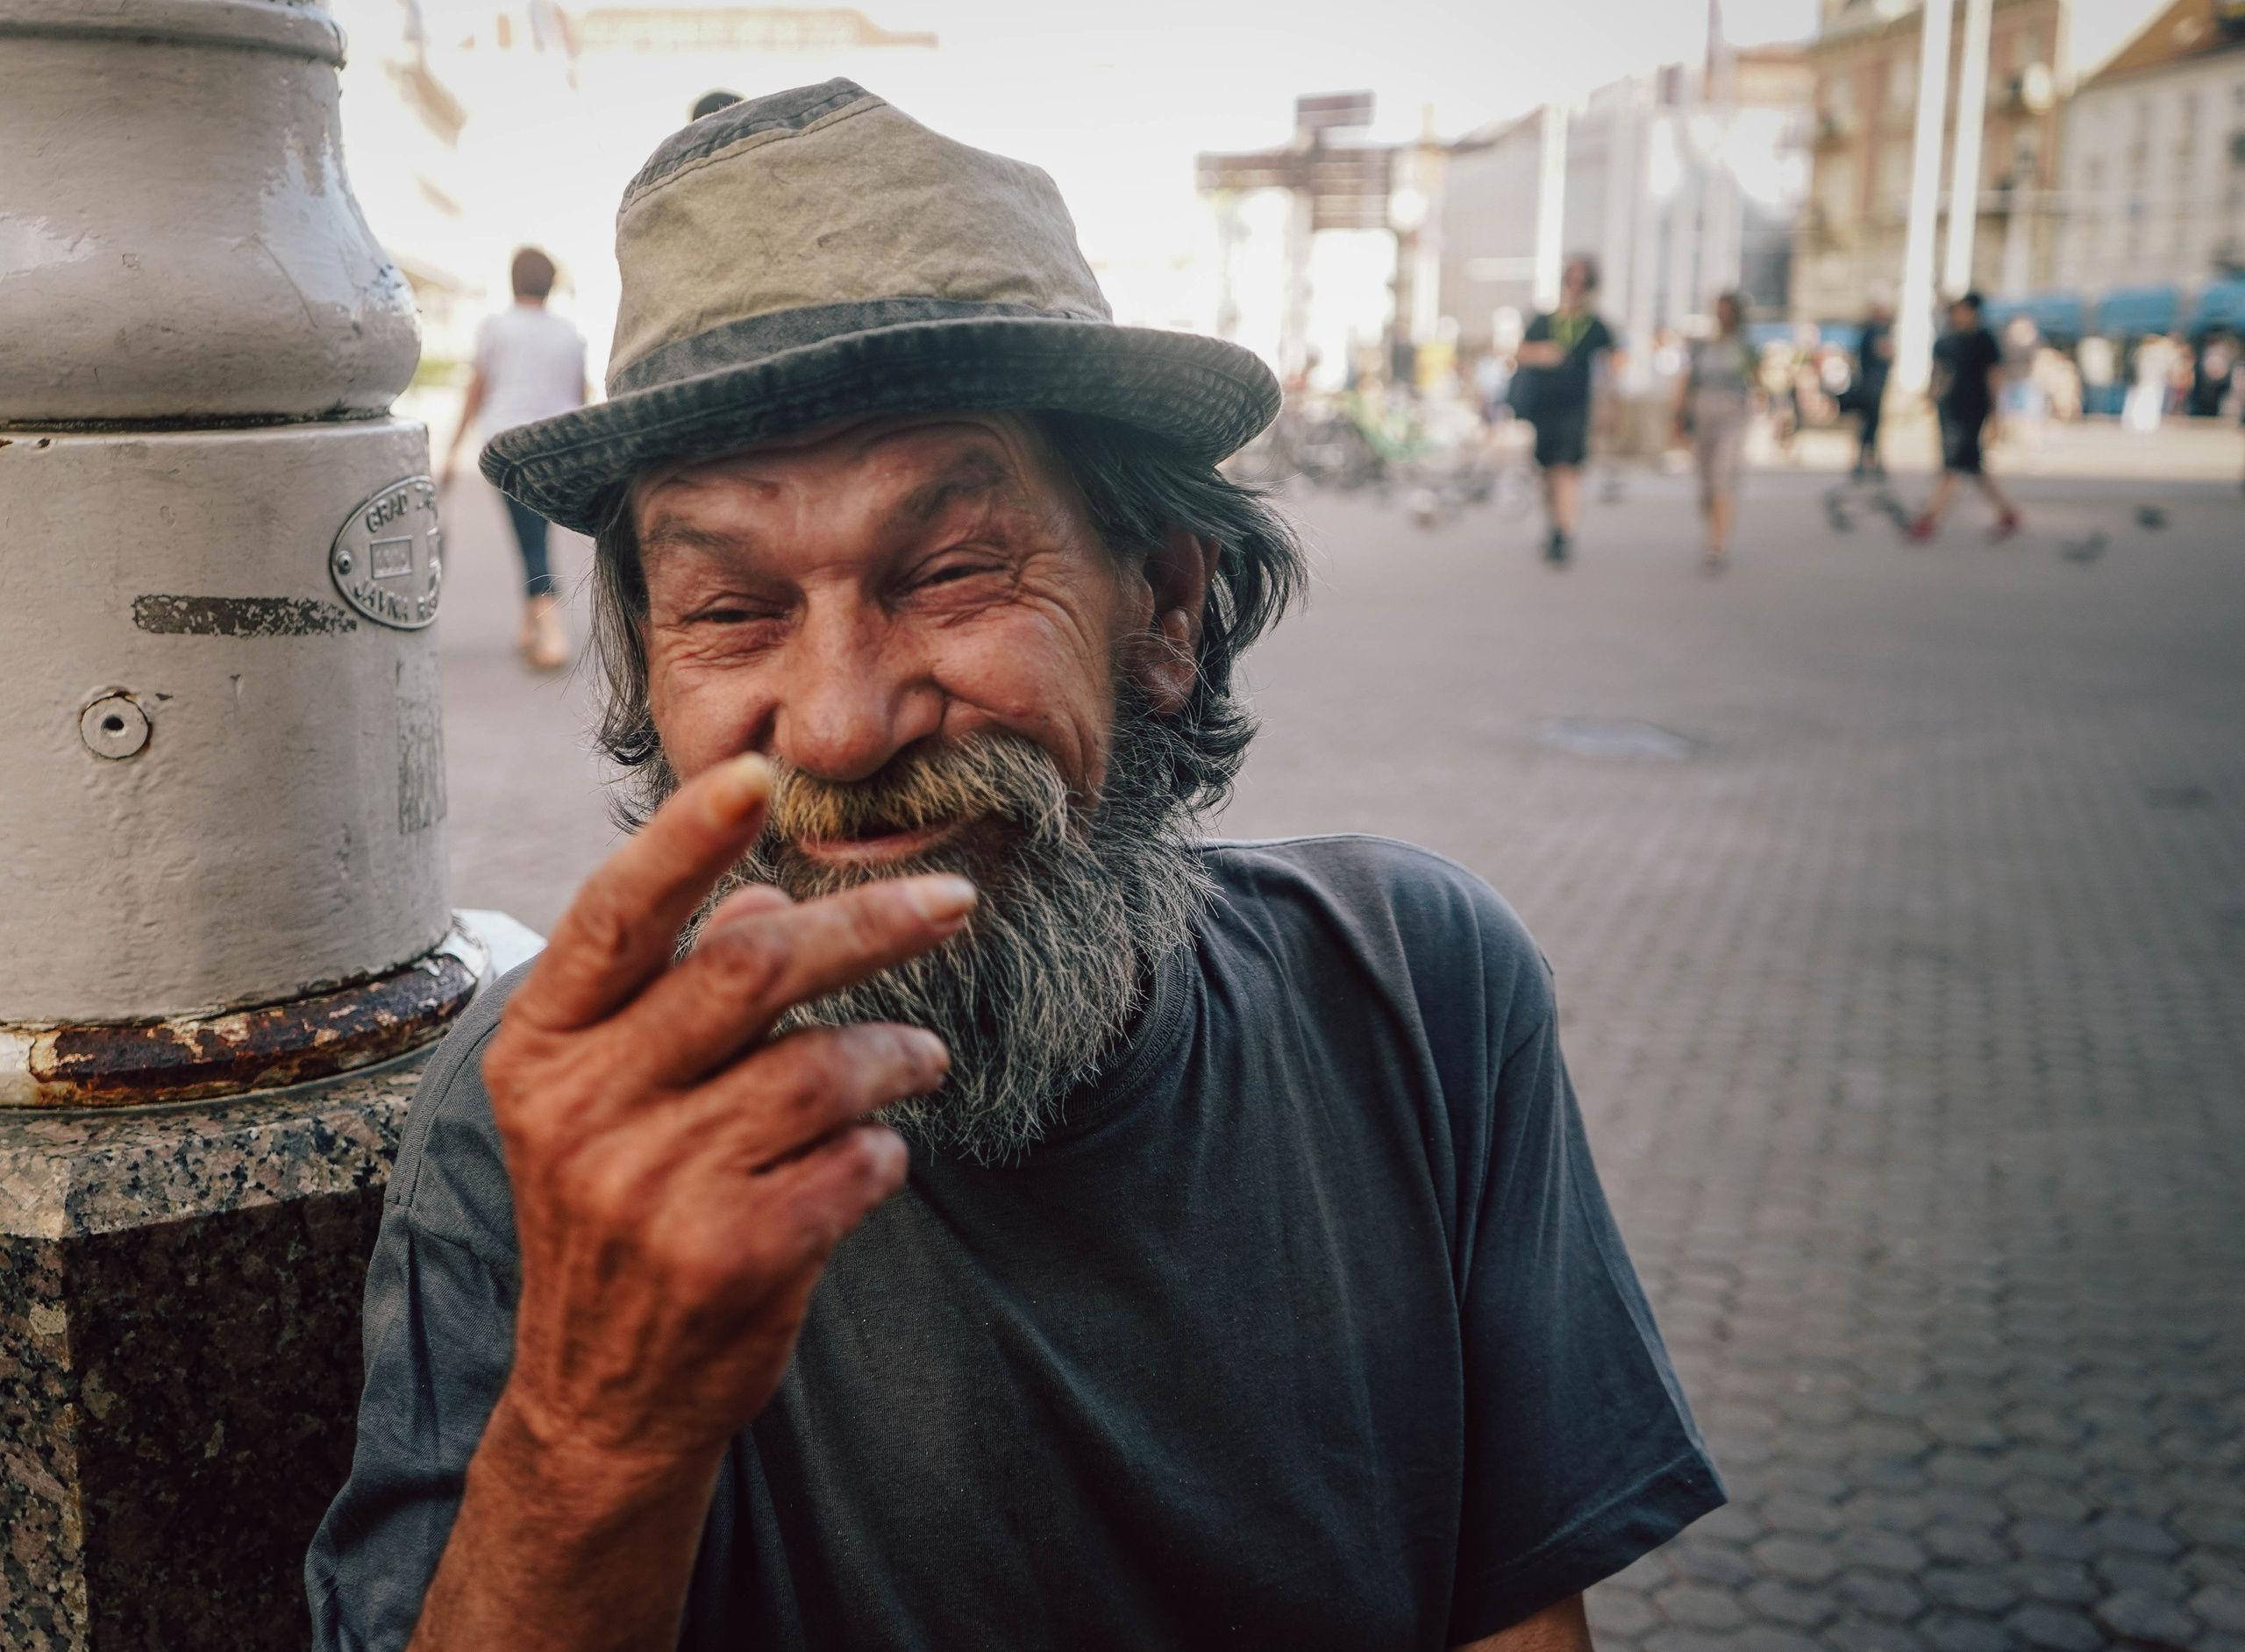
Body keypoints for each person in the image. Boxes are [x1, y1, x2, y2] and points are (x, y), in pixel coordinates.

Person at [308, 81, 1721, 1652]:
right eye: (731, 609)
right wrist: (594, 1426)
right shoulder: (544, 1126)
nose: (841, 725)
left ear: (1167, 605)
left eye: (956, 570)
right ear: (652, 677)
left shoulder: (1415, 983)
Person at [442, 247, 588, 670]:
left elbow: (477, 390)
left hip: (508, 446)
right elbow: (579, 396)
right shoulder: (570, 333)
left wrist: (452, 449)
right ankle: (529, 628)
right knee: (534, 533)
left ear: (512, 281)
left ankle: (553, 634)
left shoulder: (496, 328)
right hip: (559, 445)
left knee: (531, 540)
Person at [1514, 255, 1614, 564]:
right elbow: (1520, 352)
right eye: (1571, 280)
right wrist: (1543, 353)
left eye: (1582, 281)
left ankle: (1564, 532)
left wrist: (1610, 411)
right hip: (1543, 406)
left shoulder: (1596, 325)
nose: (1576, 287)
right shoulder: (1545, 320)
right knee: (1546, 472)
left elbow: (1611, 370)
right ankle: (1553, 527)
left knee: (1566, 469)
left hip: (1575, 406)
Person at [1909, 291, 2021, 542]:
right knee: (1973, 466)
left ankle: (1929, 518)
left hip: (1972, 413)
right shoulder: (1945, 342)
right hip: (1948, 412)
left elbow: (1994, 377)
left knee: (1952, 466)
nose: (1956, 315)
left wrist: (1996, 414)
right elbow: (1937, 376)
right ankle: (2008, 513)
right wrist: (1928, 399)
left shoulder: (1983, 341)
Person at [1675, 291, 1759, 574]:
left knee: (1723, 477)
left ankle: (1717, 545)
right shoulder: (1702, 346)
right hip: (1702, 415)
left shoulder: (1746, 346)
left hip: (1732, 415)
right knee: (1705, 484)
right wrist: (1677, 418)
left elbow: (1759, 382)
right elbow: (1687, 383)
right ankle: (1712, 531)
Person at [1850, 299, 1894, 477]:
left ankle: (1868, 462)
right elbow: (1885, 352)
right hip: (1873, 386)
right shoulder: (1876, 331)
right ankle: (1868, 463)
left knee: (1869, 423)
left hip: (1870, 384)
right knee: (1872, 423)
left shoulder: (1868, 331)